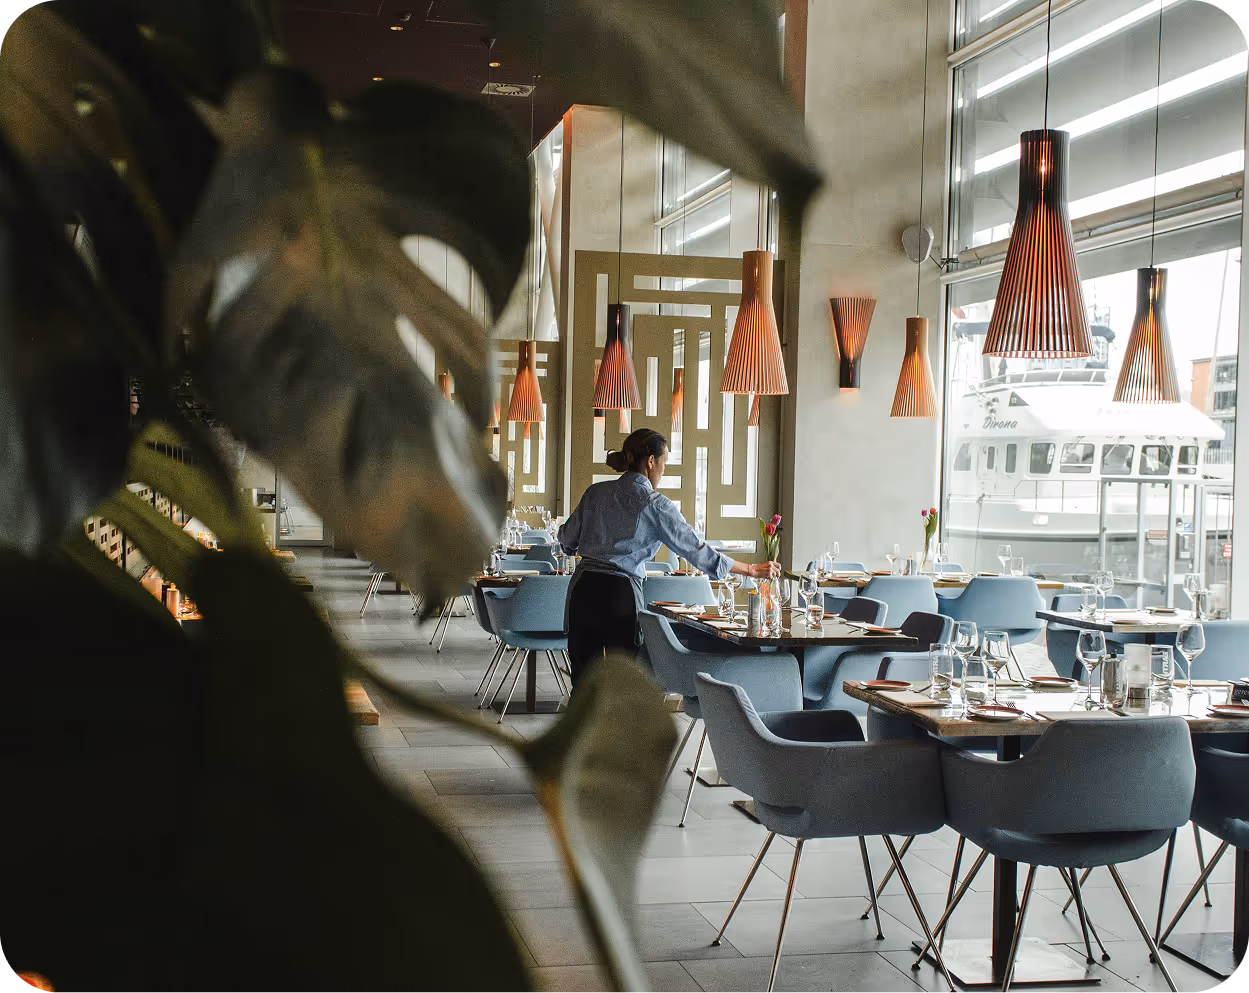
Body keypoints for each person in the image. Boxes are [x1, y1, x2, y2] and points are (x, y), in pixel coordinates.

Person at [557, 428, 781, 687]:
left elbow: (566, 539)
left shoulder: (595, 493)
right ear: (650, 462)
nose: (663, 471)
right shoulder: (654, 503)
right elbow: (694, 549)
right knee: (624, 684)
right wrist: (751, 570)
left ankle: (581, 728)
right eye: (663, 463)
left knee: (583, 684)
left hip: (582, 590)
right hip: (619, 596)